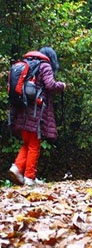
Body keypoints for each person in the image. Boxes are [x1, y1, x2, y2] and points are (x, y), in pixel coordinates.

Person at [8, 47, 66, 186]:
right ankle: (29, 177)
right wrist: (62, 85)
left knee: (27, 142)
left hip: (22, 110)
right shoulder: (44, 66)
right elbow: (50, 85)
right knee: (34, 145)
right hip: (36, 112)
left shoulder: (27, 64)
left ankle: (16, 168)